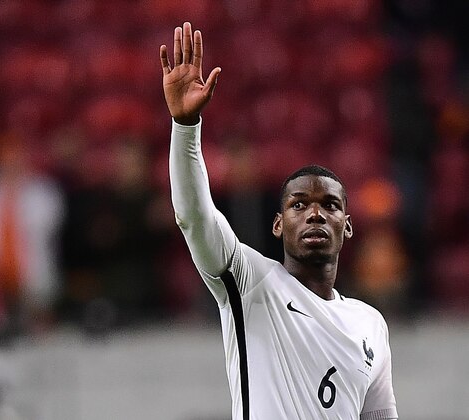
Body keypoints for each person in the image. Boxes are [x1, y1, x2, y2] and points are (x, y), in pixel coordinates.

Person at [160, 22, 398, 419]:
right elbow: (194, 217)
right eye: (299, 205)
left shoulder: (369, 323)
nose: (316, 213)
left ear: (348, 225)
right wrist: (186, 127)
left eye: (330, 205)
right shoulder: (253, 284)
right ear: (277, 225)